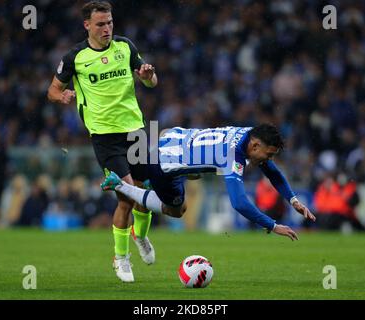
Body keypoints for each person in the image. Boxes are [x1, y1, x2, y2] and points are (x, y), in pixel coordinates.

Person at [47, 1, 158, 282]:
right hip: (104, 136)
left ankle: (140, 236)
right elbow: (52, 90)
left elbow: (151, 82)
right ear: (87, 25)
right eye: (100, 24)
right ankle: (121, 258)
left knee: (146, 192)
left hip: (135, 129)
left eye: (109, 22)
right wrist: (62, 97)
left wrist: (147, 77)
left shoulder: (125, 47)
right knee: (127, 195)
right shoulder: (75, 57)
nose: (107, 28)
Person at [101, 124, 316, 242]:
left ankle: (145, 183)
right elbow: (239, 203)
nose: (268, 160)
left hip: (174, 135)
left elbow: (272, 171)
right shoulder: (232, 156)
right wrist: (273, 225)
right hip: (163, 164)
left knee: (193, 174)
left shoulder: (249, 133)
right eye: (268, 155)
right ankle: (122, 185)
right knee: (177, 210)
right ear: (256, 145)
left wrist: (293, 200)